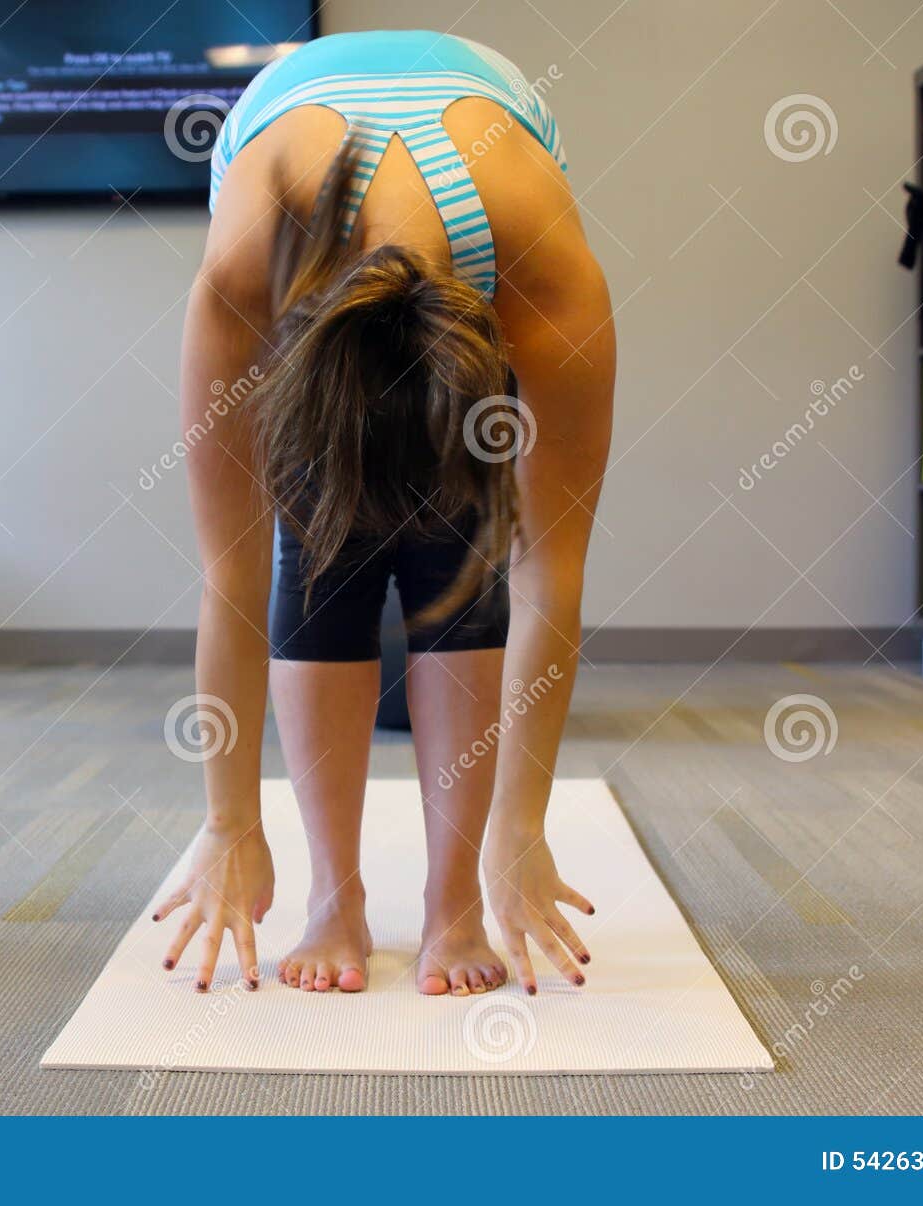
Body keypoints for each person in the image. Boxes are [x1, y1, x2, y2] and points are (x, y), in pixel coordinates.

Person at [154, 29, 615, 997]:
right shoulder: (247, 271)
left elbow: (550, 571)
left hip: (480, 188)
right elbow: (230, 572)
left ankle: (453, 906)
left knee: (463, 555)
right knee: (316, 552)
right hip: (297, 231)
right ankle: (336, 898)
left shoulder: (543, 270)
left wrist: (520, 830)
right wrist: (228, 823)